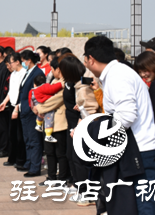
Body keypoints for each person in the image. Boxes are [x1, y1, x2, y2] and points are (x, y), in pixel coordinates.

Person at [84, 36, 155, 215]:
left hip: (142, 154)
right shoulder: (116, 73)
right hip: (137, 153)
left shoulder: (117, 76)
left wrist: (95, 133)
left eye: (85, 60)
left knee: (145, 210)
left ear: (91, 59)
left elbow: (127, 116)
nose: (86, 65)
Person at [59, 53, 99, 206]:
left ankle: (87, 193)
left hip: (81, 128)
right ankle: (79, 187)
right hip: (73, 125)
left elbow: (90, 111)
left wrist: (77, 127)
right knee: (72, 158)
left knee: (80, 161)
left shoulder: (82, 87)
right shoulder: (73, 84)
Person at [34, 58, 69, 186]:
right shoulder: (54, 81)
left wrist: (39, 107)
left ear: (58, 69)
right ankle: (51, 177)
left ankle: (62, 178)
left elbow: (55, 101)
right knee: (49, 152)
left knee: (60, 153)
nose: (51, 72)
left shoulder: (64, 83)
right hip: (48, 124)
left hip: (60, 123)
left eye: (52, 70)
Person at [17, 50, 44, 177]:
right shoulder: (28, 72)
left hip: (32, 111)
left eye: (23, 61)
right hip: (25, 110)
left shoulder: (37, 73)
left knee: (34, 140)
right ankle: (29, 162)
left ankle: (35, 167)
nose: (23, 63)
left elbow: (38, 92)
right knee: (27, 139)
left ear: (29, 60)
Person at [0, 53, 26, 169]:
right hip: (12, 106)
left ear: (18, 62)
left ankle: (21, 160)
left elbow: (22, 93)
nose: (10, 65)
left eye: (11, 62)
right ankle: (12, 158)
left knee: (20, 136)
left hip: (19, 108)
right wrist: (4, 102)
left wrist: (17, 108)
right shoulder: (13, 74)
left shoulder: (24, 73)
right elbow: (11, 91)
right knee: (12, 135)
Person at [29, 74, 62, 143]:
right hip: (46, 108)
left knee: (40, 116)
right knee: (49, 120)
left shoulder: (31, 91)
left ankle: (38, 125)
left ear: (34, 84)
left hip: (38, 108)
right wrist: (61, 84)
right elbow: (53, 89)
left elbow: (30, 102)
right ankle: (48, 135)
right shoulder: (44, 87)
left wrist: (32, 108)